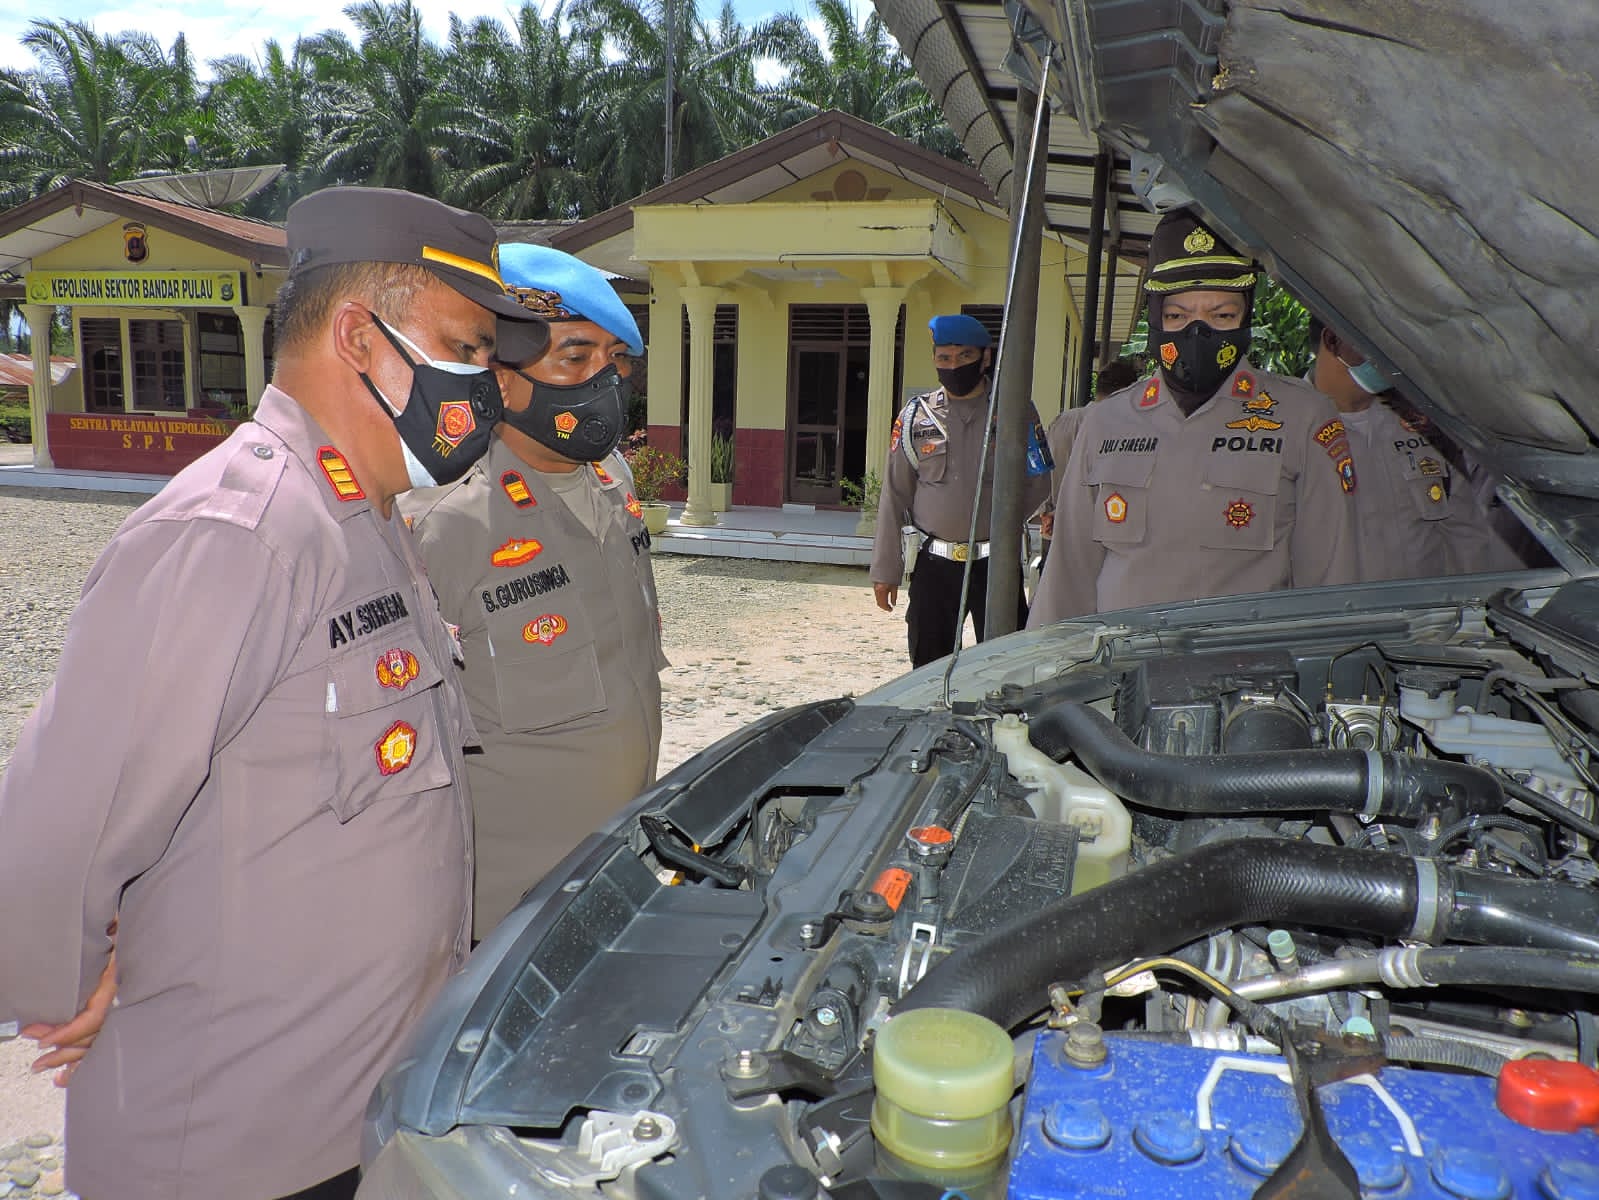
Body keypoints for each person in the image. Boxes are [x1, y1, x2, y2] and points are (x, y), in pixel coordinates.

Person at [0, 187, 548, 1200]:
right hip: (231, 1143)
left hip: (354, 1117)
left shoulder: (370, 523)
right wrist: (65, 989)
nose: (489, 388)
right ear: (358, 336)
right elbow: (58, 826)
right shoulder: (238, 530)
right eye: (467, 349)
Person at [401, 243, 667, 941]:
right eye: (573, 359)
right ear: (498, 375)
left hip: (619, 863)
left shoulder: (615, 484)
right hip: (507, 908)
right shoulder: (444, 523)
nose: (602, 382)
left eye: (613, 361)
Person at [1029, 211, 1360, 624]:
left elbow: (1330, 587)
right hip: (1127, 673)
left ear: (1245, 317)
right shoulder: (1106, 422)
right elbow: (1068, 578)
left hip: (1246, 679)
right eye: (1178, 317)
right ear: (1156, 320)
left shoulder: (1303, 418)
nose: (1197, 333)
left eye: (1221, 315)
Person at [870, 313, 1052, 667]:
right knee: (928, 667)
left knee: (1004, 667)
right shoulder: (916, 417)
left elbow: (1039, 478)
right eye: (944, 358)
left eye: (964, 357)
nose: (953, 366)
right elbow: (895, 495)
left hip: (996, 565)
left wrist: (1003, 523)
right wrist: (884, 570)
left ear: (985, 358)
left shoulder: (1015, 411)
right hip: (934, 565)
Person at [1308, 315, 1526, 577]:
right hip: (1332, 613)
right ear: (1333, 340)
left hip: (1426, 610)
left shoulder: (1422, 425)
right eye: (1376, 339)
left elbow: (1465, 533)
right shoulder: (1286, 430)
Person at [1038, 358, 1141, 544]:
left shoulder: (1062, 421)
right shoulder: (1121, 429)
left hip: (1054, 529)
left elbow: (1043, 472)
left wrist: (1046, 510)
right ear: (1127, 391)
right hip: (1095, 536)